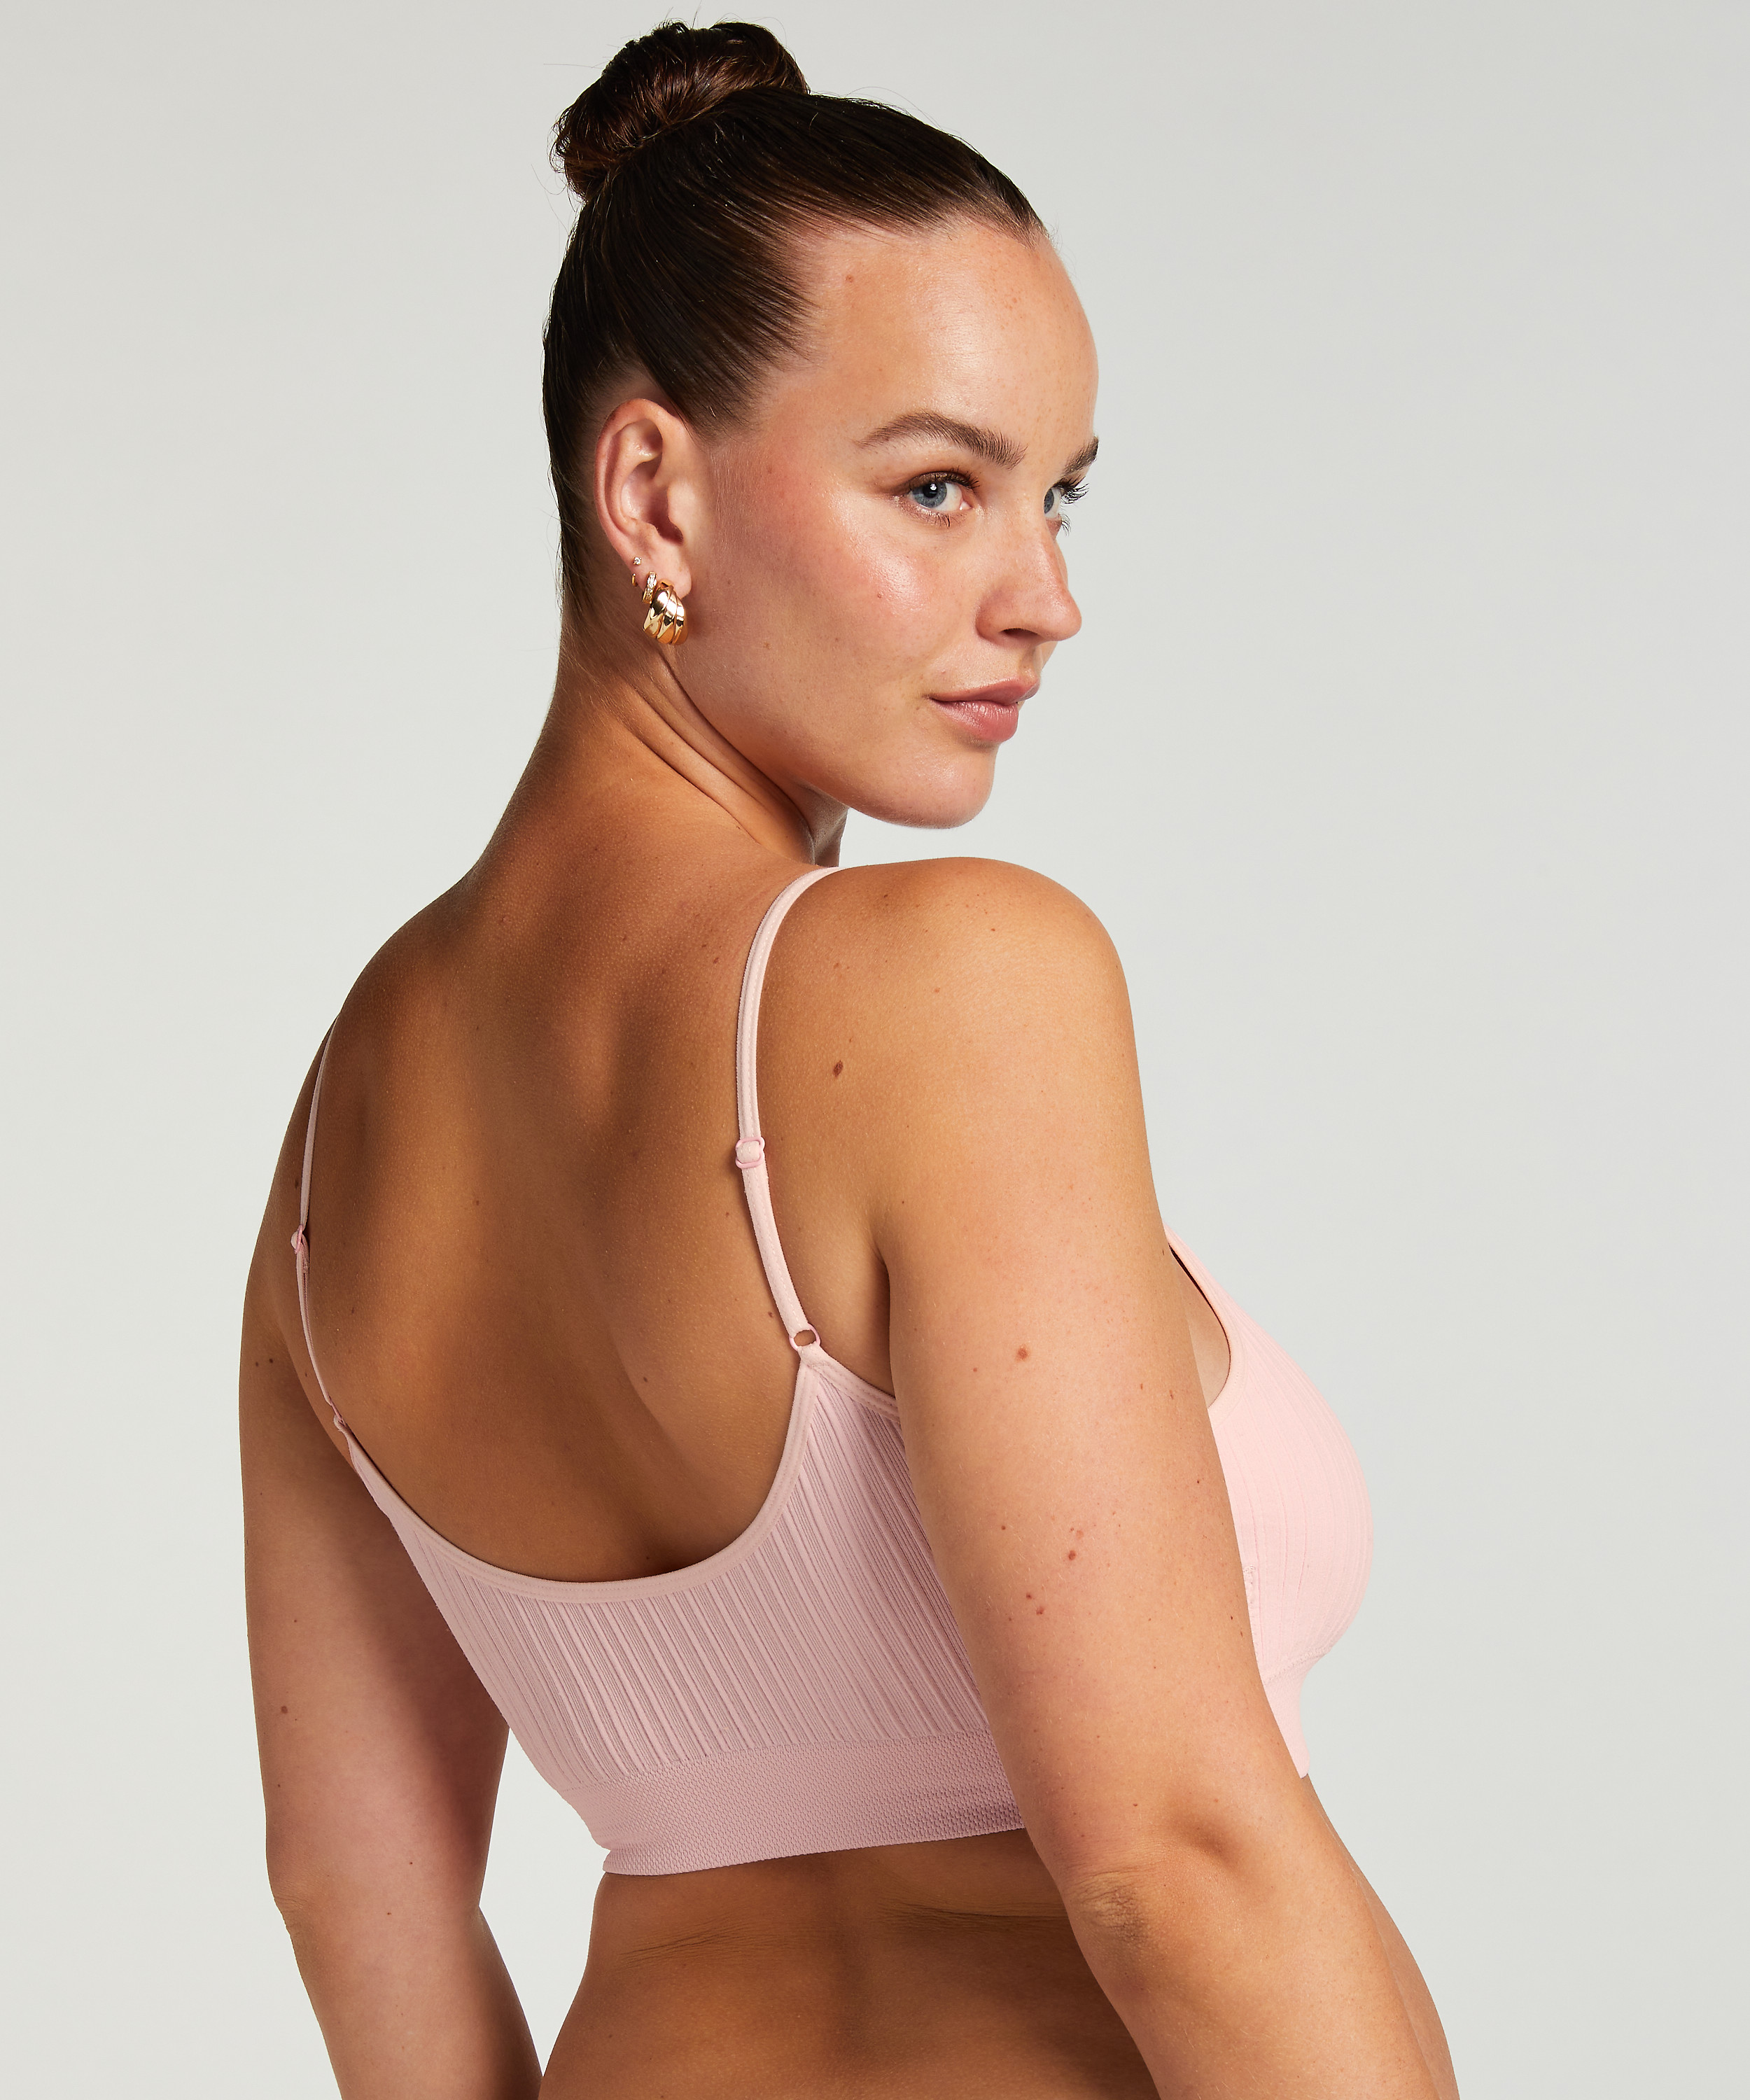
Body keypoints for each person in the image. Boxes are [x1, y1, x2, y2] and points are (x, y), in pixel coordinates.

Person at [241, 20, 1459, 2097]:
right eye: (937, 488)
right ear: (654, 493)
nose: (1045, 598)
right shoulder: (947, 981)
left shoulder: (339, 1132)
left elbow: (353, 1897)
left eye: (1058, 496)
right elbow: (1174, 1865)